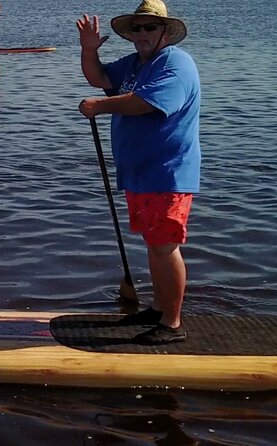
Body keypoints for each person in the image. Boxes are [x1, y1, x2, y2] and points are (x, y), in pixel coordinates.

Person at [77, 0, 200, 345]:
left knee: (164, 246)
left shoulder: (175, 63)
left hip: (167, 172)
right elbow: (98, 76)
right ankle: (159, 308)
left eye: (150, 27)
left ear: (164, 31)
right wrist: (88, 50)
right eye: (137, 28)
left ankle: (172, 324)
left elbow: (147, 102)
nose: (143, 33)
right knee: (153, 243)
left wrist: (99, 106)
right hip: (141, 173)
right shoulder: (134, 63)